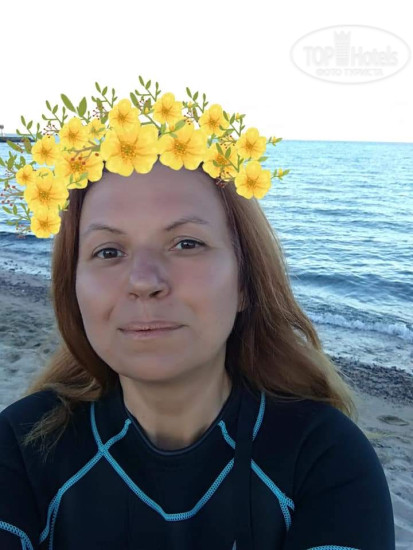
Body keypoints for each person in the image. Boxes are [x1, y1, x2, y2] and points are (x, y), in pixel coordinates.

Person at [0, 82, 395, 549]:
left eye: (187, 243)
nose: (143, 280)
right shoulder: (20, 449)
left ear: (246, 281)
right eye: (108, 251)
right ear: (73, 288)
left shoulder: (325, 459)